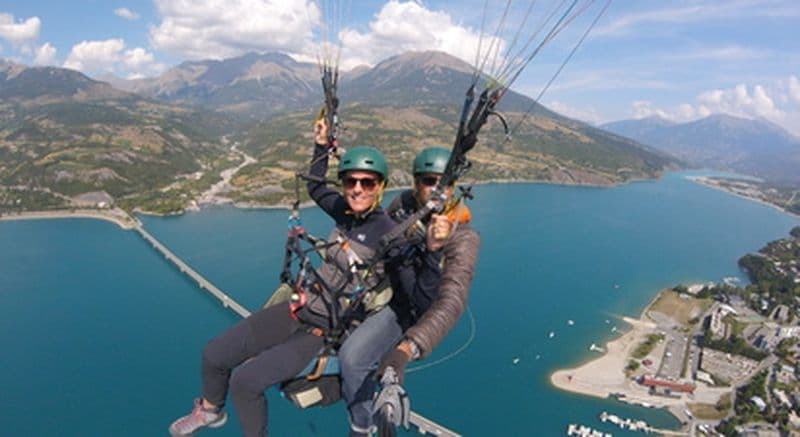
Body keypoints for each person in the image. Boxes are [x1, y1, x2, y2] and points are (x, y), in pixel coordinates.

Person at [168, 120, 440, 437]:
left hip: (322, 330)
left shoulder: (388, 235)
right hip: (298, 307)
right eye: (351, 181)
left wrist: (433, 251)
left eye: (367, 183)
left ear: (380, 187)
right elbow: (315, 187)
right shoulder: (345, 213)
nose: (357, 189)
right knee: (213, 355)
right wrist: (321, 146)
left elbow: (421, 300)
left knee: (246, 382)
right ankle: (211, 411)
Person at [338, 146, 480, 435]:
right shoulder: (403, 207)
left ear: (453, 187)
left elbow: (450, 301)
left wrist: (408, 348)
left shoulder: (463, 237)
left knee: (352, 358)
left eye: (445, 182)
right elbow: (381, 238)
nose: (437, 189)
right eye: (429, 181)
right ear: (416, 184)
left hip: (409, 311)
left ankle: (361, 426)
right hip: (382, 290)